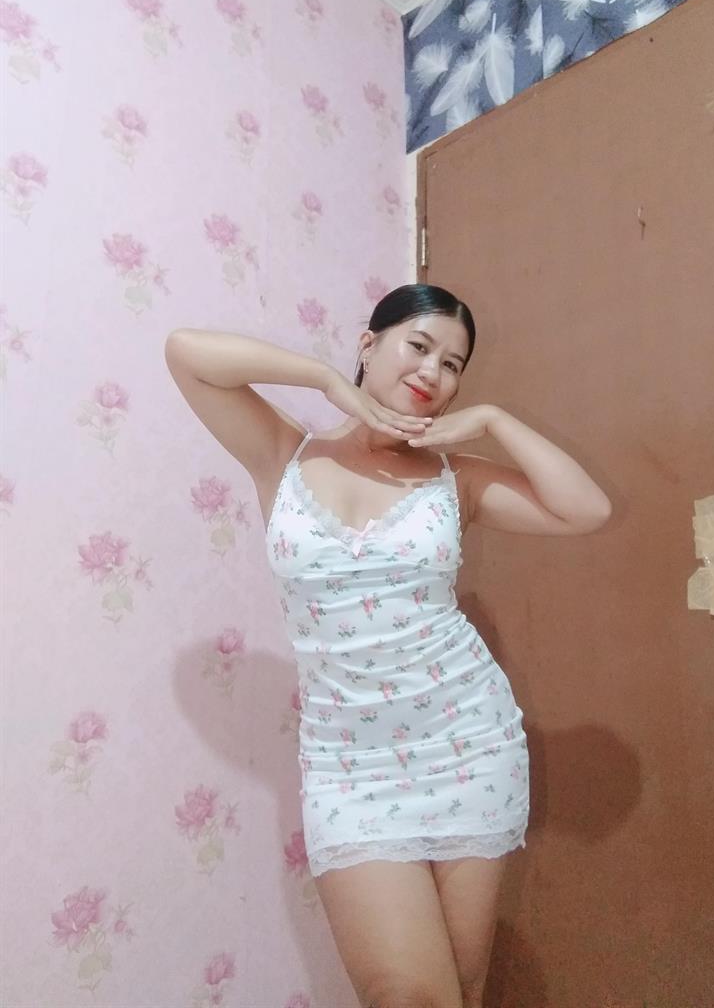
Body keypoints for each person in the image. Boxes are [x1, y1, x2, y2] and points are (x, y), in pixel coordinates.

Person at [164, 283, 611, 1008]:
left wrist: (492, 420)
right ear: (369, 343)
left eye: (453, 364)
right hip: (351, 768)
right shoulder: (283, 452)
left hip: (467, 744)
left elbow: (585, 509)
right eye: (419, 346)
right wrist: (323, 379)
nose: (434, 371)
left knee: (462, 989)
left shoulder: (454, 480)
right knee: (406, 995)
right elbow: (186, 353)